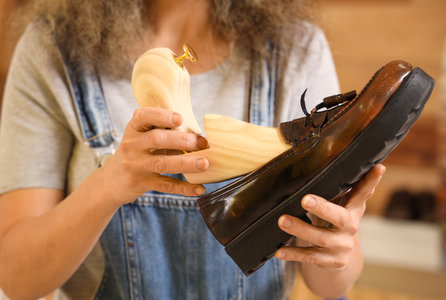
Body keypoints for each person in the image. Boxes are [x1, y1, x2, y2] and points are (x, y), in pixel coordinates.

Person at [0, 0, 385, 299]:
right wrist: (109, 184)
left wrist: (334, 245)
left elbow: (331, 285)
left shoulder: (296, 48)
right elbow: (17, 279)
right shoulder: (50, 49)